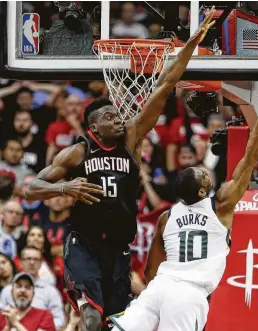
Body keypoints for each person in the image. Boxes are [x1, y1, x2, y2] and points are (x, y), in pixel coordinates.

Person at [25, 9, 217, 331]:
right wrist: (64, 188)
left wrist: (190, 44)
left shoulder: (132, 138)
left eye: (118, 115)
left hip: (117, 246)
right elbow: (32, 188)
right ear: (94, 127)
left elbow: (165, 84)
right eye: (111, 117)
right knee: (90, 317)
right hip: (83, 242)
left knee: (115, 322)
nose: (119, 119)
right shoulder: (77, 152)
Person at [110, 86, 258, 331]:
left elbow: (151, 269)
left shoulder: (166, 217)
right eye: (202, 174)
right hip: (188, 294)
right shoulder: (220, 206)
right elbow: (249, 157)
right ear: (202, 191)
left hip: (159, 287)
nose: (204, 170)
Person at [0, 247, 65, 329]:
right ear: (21, 262)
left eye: (36, 259)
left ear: (41, 262)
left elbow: (59, 319)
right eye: (28, 258)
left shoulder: (51, 291)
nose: (32, 262)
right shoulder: (7, 290)